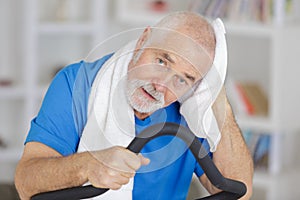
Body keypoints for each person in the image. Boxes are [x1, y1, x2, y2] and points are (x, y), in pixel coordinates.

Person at [15, 11, 253, 200]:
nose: (161, 85)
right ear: (142, 41)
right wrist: (87, 166)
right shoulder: (76, 83)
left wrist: (217, 95)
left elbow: (239, 191)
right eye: (161, 61)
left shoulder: (195, 107)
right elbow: (26, 185)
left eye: (182, 79)